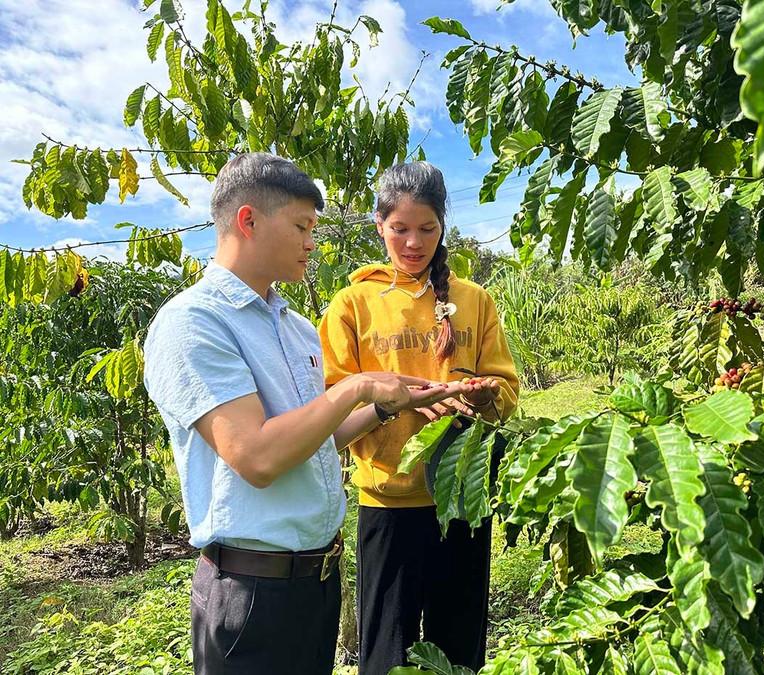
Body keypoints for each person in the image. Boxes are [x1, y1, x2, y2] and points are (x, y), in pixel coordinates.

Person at [143, 152, 474, 675]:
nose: (311, 242)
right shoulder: (194, 322)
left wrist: (391, 406)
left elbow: (319, 438)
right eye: (301, 226)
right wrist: (360, 387)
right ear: (248, 221)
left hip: (315, 580)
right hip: (252, 592)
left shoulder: (294, 327)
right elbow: (255, 455)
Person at [318, 161, 520, 674]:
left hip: (463, 497)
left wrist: (479, 395)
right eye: (400, 229)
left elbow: (506, 389)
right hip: (388, 500)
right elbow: (330, 402)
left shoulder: (474, 301)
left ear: (443, 228)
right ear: (379, 226)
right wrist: (392, 403)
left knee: (460, 645)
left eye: (427, 229)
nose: (413, 242)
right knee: (387, 649)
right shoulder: (353, 305)